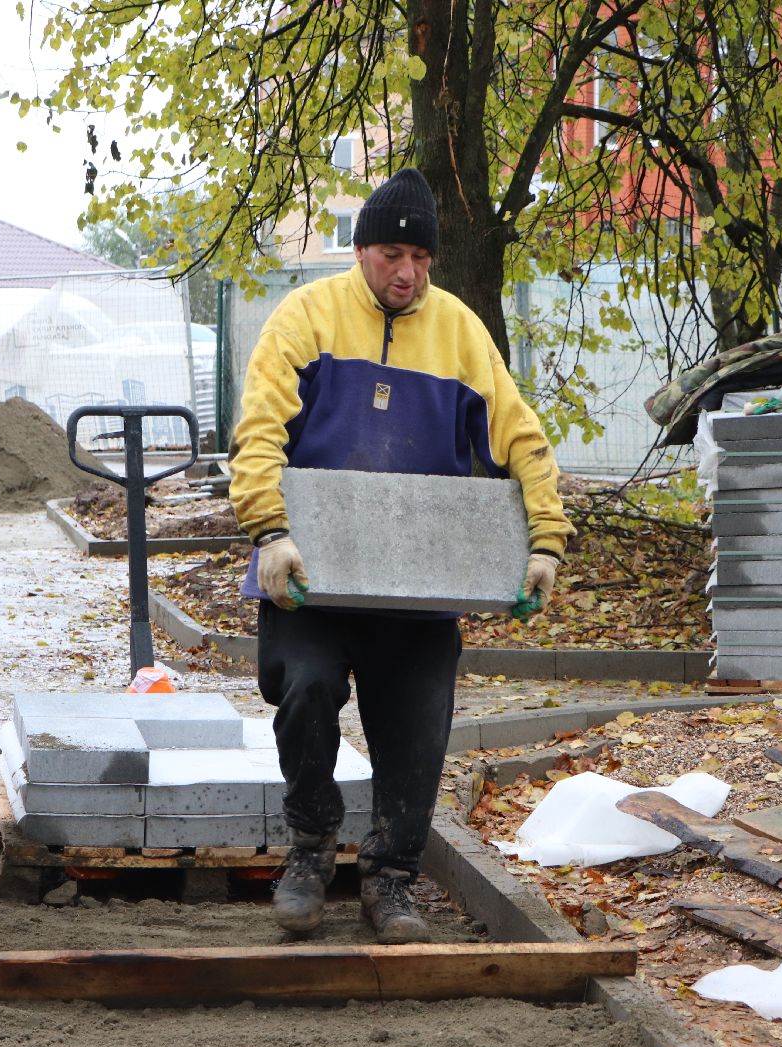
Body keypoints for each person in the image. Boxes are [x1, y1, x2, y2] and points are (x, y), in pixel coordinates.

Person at [228, 168, 572, 943]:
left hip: (422, 583)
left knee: (417, 729)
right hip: (312, 578)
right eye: (391, 254)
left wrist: (544, 543)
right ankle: (311, 847)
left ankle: (391, 880)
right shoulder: (305, 318)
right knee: (306, 691)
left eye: (420, 258)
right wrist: (269, 533)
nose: (407, 272)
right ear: (361, 251)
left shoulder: (460, 333)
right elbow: (259, 434)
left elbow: (522, 438)